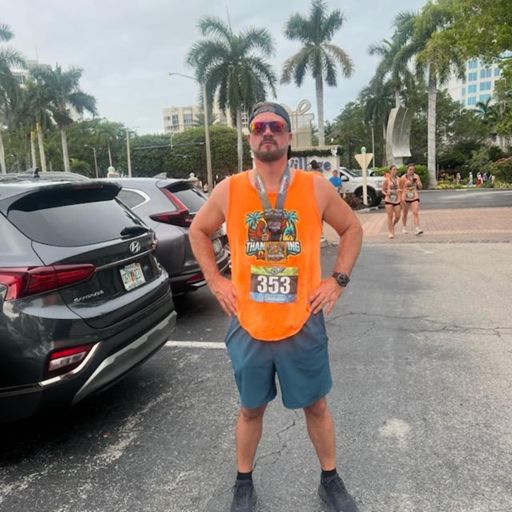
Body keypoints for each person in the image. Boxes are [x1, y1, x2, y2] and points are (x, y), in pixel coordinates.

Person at [189, 101, 363, 512]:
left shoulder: (314, 187)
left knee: (316, 405)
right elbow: (198, 231)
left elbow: (352, 228)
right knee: (251, 410)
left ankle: (330, 480)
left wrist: (337, 280)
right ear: (250, 137)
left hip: (303, 321)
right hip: (248, 322)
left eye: (275, 126)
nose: (266, 132)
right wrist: (215, 281)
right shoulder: (230, 189)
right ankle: (243, 483)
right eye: (258, 127)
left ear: (288, 136)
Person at [400, 164, 423, 235]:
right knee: (405, 213)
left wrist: (418, 183)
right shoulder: (403, 177)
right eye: (410, 169)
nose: (411, 171)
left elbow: (420, 187)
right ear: (407, 170)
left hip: (414, 196)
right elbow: (400, 188)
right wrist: (401, 197)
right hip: (406, 196)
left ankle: (417, 228)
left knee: (415, 212)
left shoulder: (416, 176)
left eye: (413, 170)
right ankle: (404, 227)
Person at [382, 165, 402, 239]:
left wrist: (400, 190)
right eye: (393, 169)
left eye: (396, 169)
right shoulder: (387, 179)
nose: (395, 171)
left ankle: (393, 225)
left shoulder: (399, 179)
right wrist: (386, 193)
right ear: (390, 170)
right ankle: (390, 232)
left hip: (397, 199)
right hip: (389, 199)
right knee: (390, 216)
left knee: (398, 216)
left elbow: (402, 188)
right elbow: (382, 190)